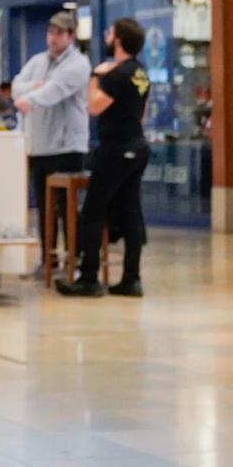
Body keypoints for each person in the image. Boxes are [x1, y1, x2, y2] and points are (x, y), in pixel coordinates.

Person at [58, 16, 151, 298]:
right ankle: (131, 279)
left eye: (111, 32)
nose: (107, 35)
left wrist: (95, 76)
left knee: (93, 212)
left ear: (119, 39)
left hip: (115, 150)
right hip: (137, 146)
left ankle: (88, 278)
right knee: (131, 212)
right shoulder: (140, 73)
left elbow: (93, 106)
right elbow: (142, 114)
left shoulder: (115, 74)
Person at [14, 10, 92, 271]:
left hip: (67, 147)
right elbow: (16, 85)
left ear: (70, 36)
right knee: (45, 209)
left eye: (59, 33)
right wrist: (31, 89)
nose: (53, 38)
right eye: (50, 32)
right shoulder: (38, 61)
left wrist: (31, 96)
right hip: (40, 146)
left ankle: (74, 258)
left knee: (66, 208)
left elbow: (55, 90)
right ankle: (49, 260)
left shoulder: (79, 64)